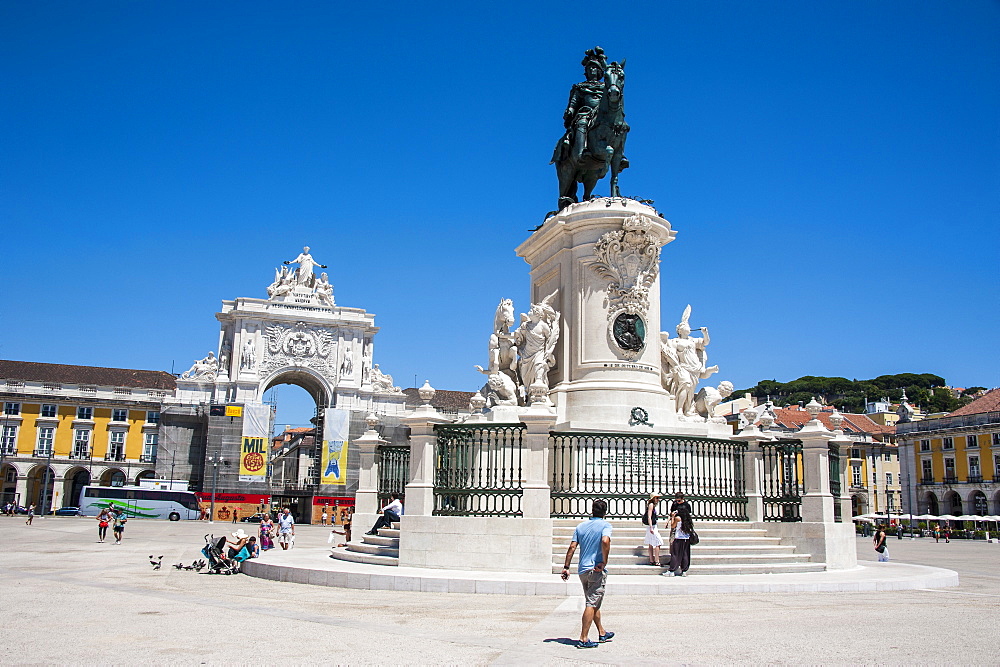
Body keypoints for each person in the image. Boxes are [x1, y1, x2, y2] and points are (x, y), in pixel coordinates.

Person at [560, 499, 614, 649]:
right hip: (595, 569)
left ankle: (602, 632)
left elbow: (572, 547)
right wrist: (604, 561)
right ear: (605, 512)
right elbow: (605, 540)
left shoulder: (581, 526)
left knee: (593, 602)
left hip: (582, 570)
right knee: (591, 603)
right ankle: (583, 638)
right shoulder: (605, 525)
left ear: (592, 510)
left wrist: (566, 567)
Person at [664, 496, 694, 576]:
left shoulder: (678, 519)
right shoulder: (688, 519)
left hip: (678, 538)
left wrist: (673, 517)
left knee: (675, 554)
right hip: (686, 539)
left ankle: (672, 570)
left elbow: (673, 526)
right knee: (685, 554)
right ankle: (684, 570)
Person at [643, 492, 664, 566]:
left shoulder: (652, 505)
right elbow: (649, 516)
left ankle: (652, 560)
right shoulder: (651, 505)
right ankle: (656, 560)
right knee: (658, 542)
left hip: (652, 526)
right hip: (652, 526)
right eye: (657, 498)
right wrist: (651, 527)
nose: (658, 499)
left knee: (651, 543)